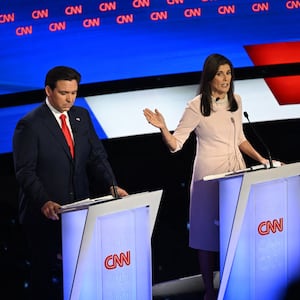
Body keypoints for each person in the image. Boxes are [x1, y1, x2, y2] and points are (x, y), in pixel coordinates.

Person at [143, 54, 271, 300]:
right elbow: (175, 144)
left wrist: (263, 160)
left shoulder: (236, 100)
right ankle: (209, 291)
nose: (225, 79)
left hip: (236, 174)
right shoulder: (195, 105)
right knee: (206, 234)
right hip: (208, 178)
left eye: (228, 73)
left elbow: (240, 138)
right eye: (220, 74)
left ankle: (236, 281)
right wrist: (162, 128)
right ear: (209, 76)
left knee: (235, 229)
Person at [12, 66, 128, 300]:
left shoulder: (81, 116)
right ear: (48, 91)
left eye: (74, 93)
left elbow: (97, 157)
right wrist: (44, 200)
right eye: (64, 93)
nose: (70, 98)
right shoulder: (30, 124)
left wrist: (112, 185)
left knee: (80, 272)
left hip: (79, 209)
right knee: (43, 276)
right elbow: (25, 171)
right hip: (45, 214)